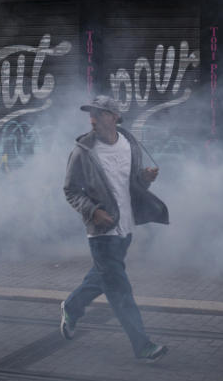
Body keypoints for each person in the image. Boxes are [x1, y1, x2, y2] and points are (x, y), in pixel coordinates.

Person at [61, 95, 170, 361]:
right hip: (101, 234)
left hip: (125, 229)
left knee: (102, 277)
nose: (92, 119)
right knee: (121, 291)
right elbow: (71, 190)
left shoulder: (129, 145)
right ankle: (143, 346)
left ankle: (72, 307)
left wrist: (145, 179)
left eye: (98, 113)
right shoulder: (83, 151)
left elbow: (131, 184)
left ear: (114, 117)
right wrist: (93, 211)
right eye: (91, 114)